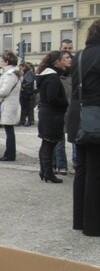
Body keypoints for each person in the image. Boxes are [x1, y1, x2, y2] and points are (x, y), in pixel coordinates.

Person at [67, 19, 100, 237]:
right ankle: (93, 225)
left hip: (79, 117)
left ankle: (79, 220)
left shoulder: (78, 56)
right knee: (95, 172)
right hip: (96, 116)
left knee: (82, 170)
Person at [35, 50, 71, 183]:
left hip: (46, 112)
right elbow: (51, 97)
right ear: (57, 61)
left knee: (46, 142)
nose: (68, 60)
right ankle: (48, 173)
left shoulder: (47, 75)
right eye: (65, 58)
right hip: (52, 114)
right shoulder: (53, 77)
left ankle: (44, 170)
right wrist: (65, 103)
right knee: (49, 142)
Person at [0, 51, 22, 161]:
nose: (1, 63)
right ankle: (9, 153)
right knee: (9, 130)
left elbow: (4, 91)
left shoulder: (10, 74)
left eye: (2, 61)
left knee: (9, 131)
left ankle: (10, 154)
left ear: (6, 61)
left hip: (8, 104)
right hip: (10, 104)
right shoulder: (14, 73)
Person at [53, 39, 75, 175]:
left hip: (72, 108)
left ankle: (76, 162)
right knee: (59, 138)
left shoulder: (75, 69)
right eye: (65, 48)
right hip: (61, 109)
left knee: (75, 138)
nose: (67, 50)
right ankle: (60, 164)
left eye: (69, 48)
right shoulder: (55, 73)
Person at [18, 62, 36, 127]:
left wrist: (23, 86)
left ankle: (29, 121)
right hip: (26, 93)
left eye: (21, 68)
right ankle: (23, 120)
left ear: (24, 67)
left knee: (29, 107)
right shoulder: (27, 73)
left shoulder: (28, 73)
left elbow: (29, 81)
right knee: (25, 107)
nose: (20, 69)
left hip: (29, 93)